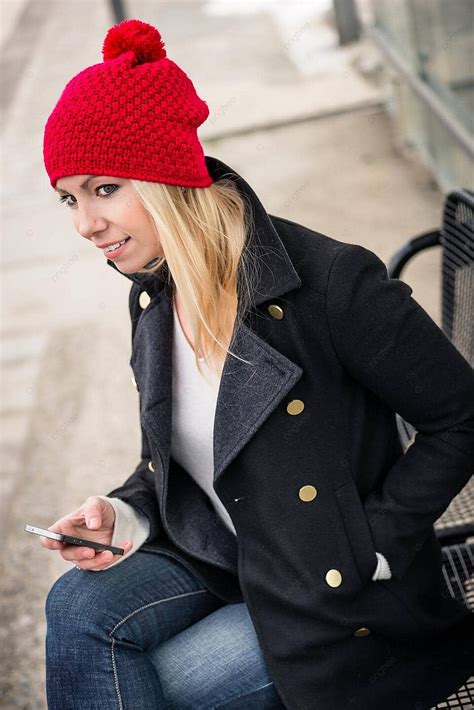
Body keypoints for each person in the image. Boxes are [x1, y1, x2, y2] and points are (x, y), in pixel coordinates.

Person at [40, 18, 474, 710]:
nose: (83, 225)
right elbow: (189, 456)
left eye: (103, 189)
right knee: (77, 605)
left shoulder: (329, 284)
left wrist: (377, 544)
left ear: (164, 173)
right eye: (69, 197)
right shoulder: (155, 297)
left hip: (329, 591)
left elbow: (461, 417)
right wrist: (122, 513)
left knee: (159, 687)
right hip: (228, 551)